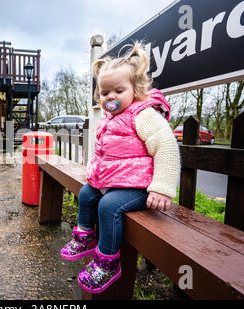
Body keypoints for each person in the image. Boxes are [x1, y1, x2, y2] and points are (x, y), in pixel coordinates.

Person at [60, 42, 180, 294]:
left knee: (108, 206)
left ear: (135, 89)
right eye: (104, 93)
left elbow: (166, 146)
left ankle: (107, 262)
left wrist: (162, 188)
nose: (110, 97)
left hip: (140, 185)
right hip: (116, 181)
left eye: (118, 90)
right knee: (86, 194)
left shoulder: (143, 115)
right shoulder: (111, 118)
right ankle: (84, 238)